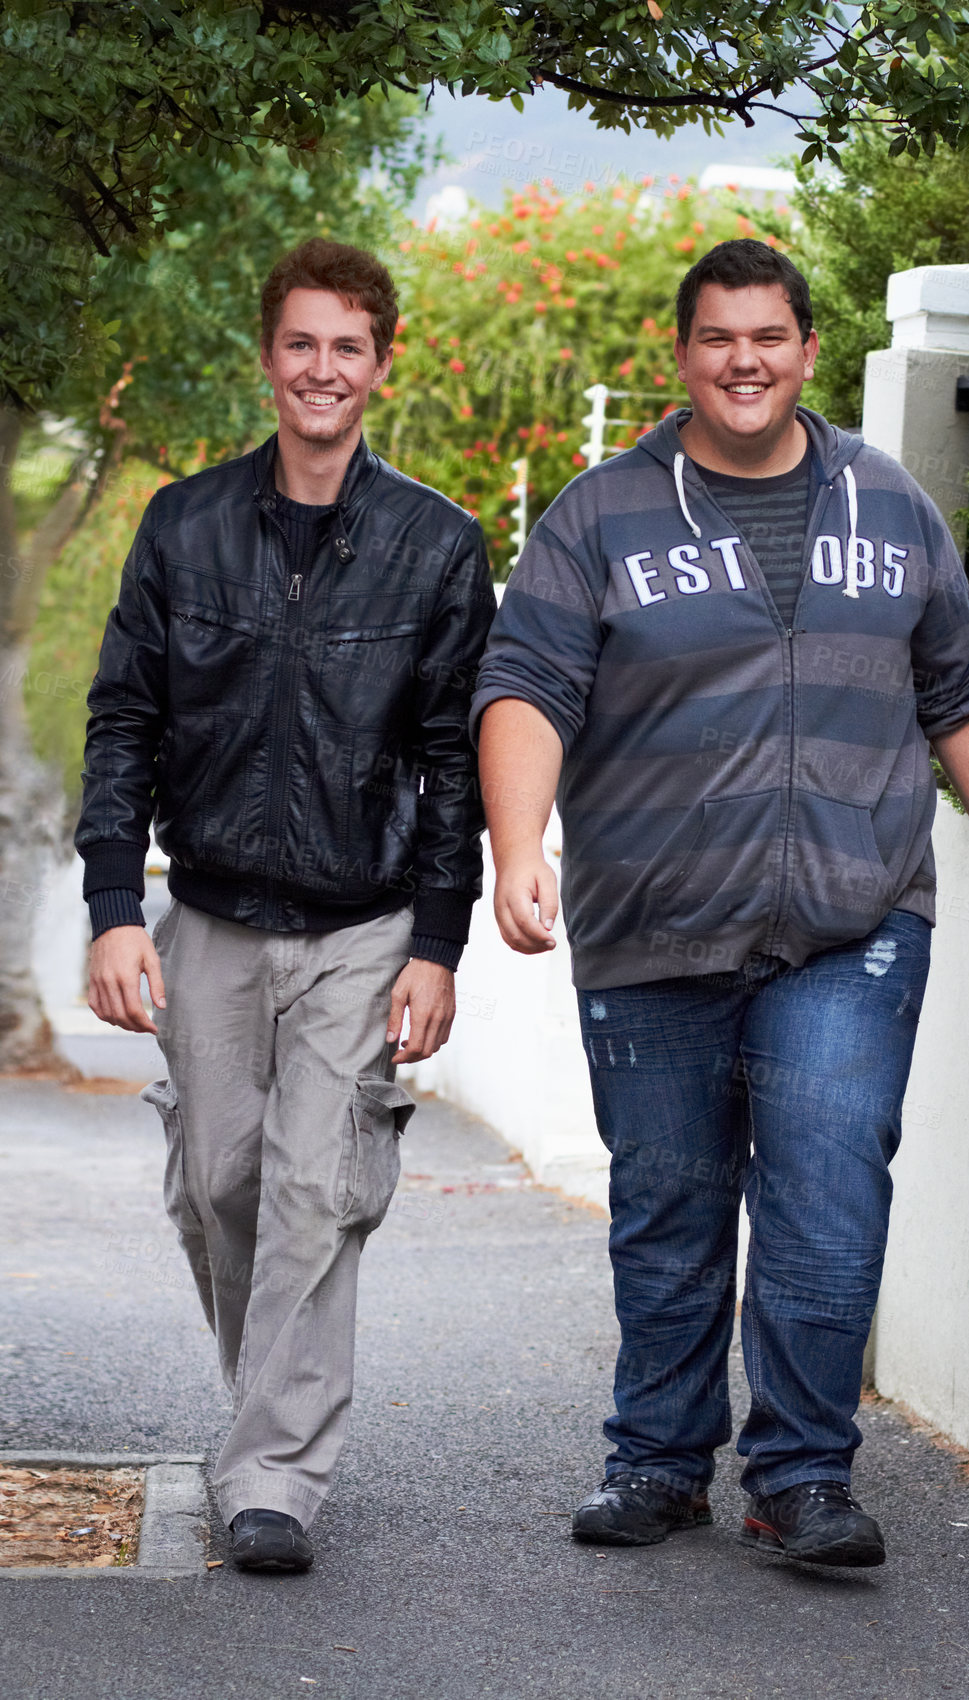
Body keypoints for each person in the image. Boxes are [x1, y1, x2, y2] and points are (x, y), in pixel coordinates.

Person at [473, 239, 969, 1566]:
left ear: (805, 349)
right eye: (719, 337)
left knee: (829, 1196)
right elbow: (528, 685)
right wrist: (516, 845)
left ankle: (801, 1477)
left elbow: (961, 683)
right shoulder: (601, 513)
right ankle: (660, 1463)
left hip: (855, 918)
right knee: (668, 1204)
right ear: (682, 357)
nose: (745, 360)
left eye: (769, 336)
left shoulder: (889, 505)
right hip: (652, 918)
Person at [76, 238, 496, 1574]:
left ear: (382, 364)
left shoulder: (437, 545)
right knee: (218, 1185)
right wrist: (109, 904)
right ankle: (268, 1413)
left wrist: (437, 943)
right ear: (271, 360)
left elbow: (452, 763)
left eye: (349, 347)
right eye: (302, 344)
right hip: (206, 912)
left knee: (316, 1187)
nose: (325, 369)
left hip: (360, 920)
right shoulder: (183, 524)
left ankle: (271, 1477)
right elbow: (125, 719)